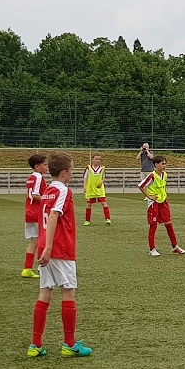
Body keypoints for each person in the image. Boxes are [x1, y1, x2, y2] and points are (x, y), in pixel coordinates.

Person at [27, 152, 93, 358]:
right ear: (64, 172)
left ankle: (35, 345)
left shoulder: (47, 191)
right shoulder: (63, 190)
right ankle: (69, 344)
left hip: (46, 247)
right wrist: (49, 247)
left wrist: (44, 246)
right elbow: (55, 214)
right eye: (72, 170)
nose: (72, 173)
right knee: (68, 292)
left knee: (45, 292)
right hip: (60, 248)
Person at [139, 155, 185, 257]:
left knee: (169, 224)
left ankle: (175, 246)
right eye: (163, 164)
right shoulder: (152, 176)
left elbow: (163, 187)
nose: (164, 166)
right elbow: (141, 185)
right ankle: (152, 249)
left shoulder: (165, 175)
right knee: (153, 225)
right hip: (154, 203)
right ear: (156, 165)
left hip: (163, 202)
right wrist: (149, 196)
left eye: (165, 164)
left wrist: (164, 196)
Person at [22, 153, 48, 278]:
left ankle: (27, 268)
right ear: (37, 166)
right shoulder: (38, 177)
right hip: (37, 213)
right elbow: (35, 195)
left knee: (34, 241)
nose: (47, 167)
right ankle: (43, 268)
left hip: (29, 212)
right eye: (45, 165)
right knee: (44, 240)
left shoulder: (31, 177)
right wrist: (48, 201)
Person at [82, 154, 111, 226]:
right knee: (89, 205)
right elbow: (85, 178)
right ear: (92, 159)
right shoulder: (88, 168)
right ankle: (87, 221)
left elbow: (103, 177)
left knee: (104, 203)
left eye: (99, 159)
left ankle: (108, 219)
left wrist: (101, 182)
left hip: (99, 189)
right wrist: (84, 186)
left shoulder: (102, 168)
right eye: (96, 159)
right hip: (91, 189)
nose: (98, 161)